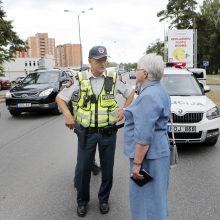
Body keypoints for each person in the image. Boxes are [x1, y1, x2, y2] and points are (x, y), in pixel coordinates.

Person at [56, 45, 135, 217]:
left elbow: (131, 93)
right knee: (84, 168)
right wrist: (68, 115)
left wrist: (124, 110)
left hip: (108, 132)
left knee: (107, 169)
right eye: (98, 60)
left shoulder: (114, 77)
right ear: (90, 61)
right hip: (87, 133)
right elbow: (60, 98)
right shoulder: (79, 78)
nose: (102, 63)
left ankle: (104, 199)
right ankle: (82, 202)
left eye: (104, 59)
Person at [123, 53, 171, 220]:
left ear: (144, 73)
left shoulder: (149, 95)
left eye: (137, 68)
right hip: (158, 152)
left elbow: (144, 135)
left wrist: (136, 164)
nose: (135, 72)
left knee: (145, 201)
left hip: (148, 157)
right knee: (157, 197)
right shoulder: (158, 90)